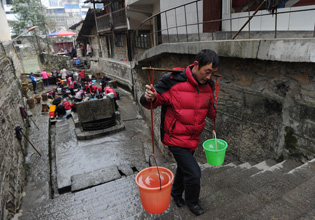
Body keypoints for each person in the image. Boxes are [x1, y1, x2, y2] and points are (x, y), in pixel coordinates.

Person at [139, 49, 219, 216]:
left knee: (184, 169)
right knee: (194, 173)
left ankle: (175, 193)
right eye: (207, 71)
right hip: (175, 138)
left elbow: (209, 106)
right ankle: (192, 202)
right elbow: (155, 99)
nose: (209, 77)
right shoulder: (173, 81)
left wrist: (214, 115)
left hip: (193, 138)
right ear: (196, 65)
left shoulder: (209, 86)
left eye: (213, 73)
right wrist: (149, 97)